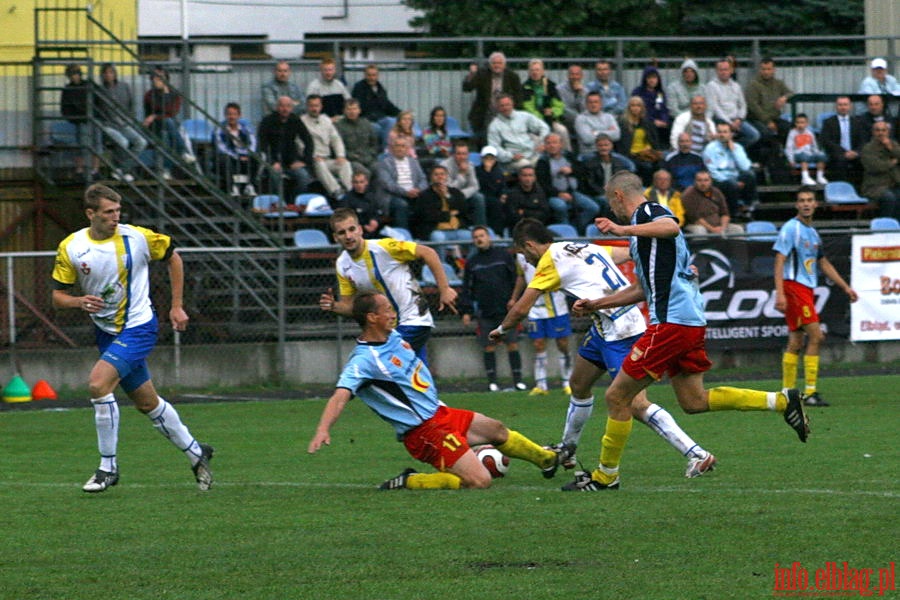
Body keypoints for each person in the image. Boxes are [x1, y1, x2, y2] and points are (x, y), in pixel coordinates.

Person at [563, 171, 807, 491]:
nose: (613, 211)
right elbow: (642, 288)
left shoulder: (647, 213)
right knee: (694, 401)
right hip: (688, 323)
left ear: (619, 196)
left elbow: (671, 224)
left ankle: (607, 475)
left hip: (671, 323)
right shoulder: (642, 235)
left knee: (617, 396)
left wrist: (622, 229)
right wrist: (598, 303)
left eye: (612, 203)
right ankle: (780, 401)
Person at [490, 218, 719, 480]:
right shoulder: (580, 246)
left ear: (529, 245)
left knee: (635, 403)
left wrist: (501, 331)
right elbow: (629, 252)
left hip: (621, 330)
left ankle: (696, 453)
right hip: (603, 328)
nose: (526, 261)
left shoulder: (548, 262)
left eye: (523, 254)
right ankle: (568, 448)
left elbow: (521, 308)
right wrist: (676, 267)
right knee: (579, 384)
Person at [308, 292, 564, 490]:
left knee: (496, 429)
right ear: (372, 317)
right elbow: (340, 395)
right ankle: (411, 481)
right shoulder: (363, 361)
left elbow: (360, 313)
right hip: (423, 431)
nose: (392, 312)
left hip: (440, 413)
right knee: (480, 481)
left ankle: (546, 459)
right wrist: (323, 428)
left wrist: (339, 306)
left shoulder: (393, 336)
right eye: (387, 309)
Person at [51, 184, 214, 493]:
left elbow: (174, 257)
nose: (116, 217)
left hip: (139, 327)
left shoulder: (136, 237)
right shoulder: (71, 247)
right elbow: (58, 296)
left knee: (98, 385)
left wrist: (176, 306)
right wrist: (77, 301)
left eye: (118, 211)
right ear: (91, 214)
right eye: (109, 212)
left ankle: (107, 468)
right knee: (147, 403)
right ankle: (196, 452)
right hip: (106, 331)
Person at [319, 208, 457, 363]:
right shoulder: (342, 264)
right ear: (336, 237)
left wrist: (444, 289)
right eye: (342, 232)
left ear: (360, 229)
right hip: (388, 329)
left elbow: (428, 253)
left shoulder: (384, 247)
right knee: (416, 380)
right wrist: (333, 306)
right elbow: (351, 307)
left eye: (351, 229)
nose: (348, 236)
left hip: (412, 320)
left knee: (377, 364)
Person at [774, 187, 859, 408]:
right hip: (795, 287)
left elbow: (823, 263)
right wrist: (780, 293)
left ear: (816, 204)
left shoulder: (812, 233)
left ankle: (787, 393)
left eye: (810, 200)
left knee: (796, 340)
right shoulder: (791, 228)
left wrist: (845, 287)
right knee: (817, 335)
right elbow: (779, 260)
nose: (806, 204)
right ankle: (809, 392)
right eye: (802, 200)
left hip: (805, 289)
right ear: (796, 205)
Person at [459, 226, 528, 392]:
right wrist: (466, 311)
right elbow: (466, 288)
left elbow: (515, 281)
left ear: (488, 237)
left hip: (506, 311)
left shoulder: (503, 256)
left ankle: (518, 380)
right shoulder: (472, 263)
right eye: (476, 237)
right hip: (485, 311)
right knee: (489, 346)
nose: (479, 239)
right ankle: (492, 382)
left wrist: (515, 301)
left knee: (512, 344)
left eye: (482, 236)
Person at [512, 252, 572, 396]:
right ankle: (541, 384)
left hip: (557, 307)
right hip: (535, 308)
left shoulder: (553, 252)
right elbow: (521, 276)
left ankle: (567, 382)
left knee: (562, 344)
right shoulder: (521, 256)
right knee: (538, 344)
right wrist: (514, 297)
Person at [535, 132, 599, 232]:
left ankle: (575, 227)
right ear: (545, 146)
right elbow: (542, 184)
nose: (552, 145)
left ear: (561, 144)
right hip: (553, 194)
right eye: (548, 143)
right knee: (561, 206)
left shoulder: (569, 156)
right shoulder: (542, 162)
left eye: (555, 142)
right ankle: (566, 231)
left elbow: (583, 171)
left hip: (573, 192)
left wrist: (572, 170)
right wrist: (559, 194)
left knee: (593, 208)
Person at [97, 63, 147, 183]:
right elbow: (96, 110)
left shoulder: (124, 86)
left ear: (115, 74)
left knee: (141, 142)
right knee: (123, 142)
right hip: (107, 125)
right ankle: (124, 171)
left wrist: (129, 120)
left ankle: (121, 170)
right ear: (102, 75)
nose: (109, 75)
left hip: (124, 124)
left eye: (111, 72)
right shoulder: (99, 90)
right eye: (106, 73)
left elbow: (131, 105)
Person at [142, 68, 194, 180]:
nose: (158, 80)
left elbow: (172, 111)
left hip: (169, 128)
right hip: (154, 127)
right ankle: (183, 152)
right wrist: (157, 116)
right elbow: (153, 110)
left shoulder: (174, 94)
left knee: (166, 132)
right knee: (167, 123)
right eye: (155, 78)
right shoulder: (149, 95)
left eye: (161, 77)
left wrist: (155, 115)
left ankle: (165, 170)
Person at [462, 51, 523, 145]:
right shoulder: (482, 74)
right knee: (484, 141)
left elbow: (518, 97)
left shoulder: (512, 76)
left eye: (499, 63)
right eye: (494, 63)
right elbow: (467, 88)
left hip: (505, 114)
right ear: (490, 65)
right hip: (485, 113)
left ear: (504, 64)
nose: (497, 65)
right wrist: (472, 74)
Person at [257, 95, 314, 195]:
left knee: (304, 177)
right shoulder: (267, 121)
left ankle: (296, 203)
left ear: (292, 108)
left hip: (291, 161)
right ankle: (280, 204)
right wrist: (272, 162)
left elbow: (308, 141)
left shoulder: (295, 120)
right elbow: (262, 144)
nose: (285, 109)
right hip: (272, 161)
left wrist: (304, 161)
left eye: (288, 106)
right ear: (277, 107)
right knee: (276, 176)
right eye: (282, 106)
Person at [300, 94, 353, 198]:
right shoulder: (301, 121)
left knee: (345, 164)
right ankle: (336, 191)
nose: (314, 108)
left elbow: (336, 139)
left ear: (321, 106)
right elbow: (299, 144)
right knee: (319, 164)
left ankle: (350, 191)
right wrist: (312, 155)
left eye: (317, 106)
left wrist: (340, 155)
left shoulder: (326, 120)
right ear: (307, 106)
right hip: (312, 160)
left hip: (327, 158)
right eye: (311, 106)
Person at [702, 122, 758, 219]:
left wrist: (734, 151)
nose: (722, 135)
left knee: (750, 175)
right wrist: (731, 181)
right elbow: (712, 171)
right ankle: (734, 212)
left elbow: (745, 167)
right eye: (719, 132)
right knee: (731, 185)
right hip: (719, 179)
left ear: (731, 134)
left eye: (725, 132)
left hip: (735, 177)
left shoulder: (738, 148)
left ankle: (747, 206)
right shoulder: (710, 148)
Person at [372, 137, 428, 230]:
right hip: (392, 196)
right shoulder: (384, 163)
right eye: (397, 146)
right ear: (391, 148)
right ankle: (403, 237)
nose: (400, 148)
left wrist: (418, 190)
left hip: (414, 193)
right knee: (401, 205)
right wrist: (406, 192)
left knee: (428, 202)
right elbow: (388, 184)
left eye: (403, 146)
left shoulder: (413, 162)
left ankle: (423, 235)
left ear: (408, 149)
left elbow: (423, 179)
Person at [705, 58, 760, 150]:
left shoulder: (736, 86)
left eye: (726, 69)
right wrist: (730, 123)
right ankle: (729, 150)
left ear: (731, 70)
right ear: (717, 71)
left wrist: (739, 119)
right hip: (720, 120)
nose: (723, 72)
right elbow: (715, 108)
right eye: (721, 70)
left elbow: (743, 105)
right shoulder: (711, 86)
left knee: (754, 135)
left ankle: (733, 149)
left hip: (737, 120)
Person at [487, 93, 550, 172]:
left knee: (545, 162)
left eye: (507, 104)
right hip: (513, 160)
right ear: (497, 107)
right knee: (526, 166)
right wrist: (510, 156)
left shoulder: (524, 116)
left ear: (512, 104)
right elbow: (494, 147)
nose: (505, 108)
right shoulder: (494, 125)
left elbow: (544, 127)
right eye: (502, 105)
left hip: (532, 153)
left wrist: (542, 143)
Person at [60, 63, 101, 181]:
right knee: (82, 145)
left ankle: (95, 170)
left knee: (96, 144)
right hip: (81, 121)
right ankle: (80, 170)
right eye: (72, 74)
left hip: (93, 119)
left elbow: (99, 100)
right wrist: (75, 119)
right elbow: (64, 108)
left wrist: (97, 115)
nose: (74, 76)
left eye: (76, 74)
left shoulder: (89, 85)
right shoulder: (68, 89)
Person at [411, 164, 470, 244]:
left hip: (457, 229)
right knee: (438, 238)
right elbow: (428, 216)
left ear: (446, 176)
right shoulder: (425, 195)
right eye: (436, 174)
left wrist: (447, 195)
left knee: (470, 236)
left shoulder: (455, 192)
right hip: (437, 230)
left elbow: (463, 209)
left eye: (442, 174)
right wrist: (449, 214)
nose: (440, 177)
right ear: (431, 177)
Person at [522, 58, 572, 151]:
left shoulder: (551, 85)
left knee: (562, 130)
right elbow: (527, 107)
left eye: (537, 70)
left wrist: (552, 112)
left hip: (551, 118)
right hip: (534, 122)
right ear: (528, 72)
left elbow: (559, 105)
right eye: (532, 70)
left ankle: (567, 155)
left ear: (542, 71)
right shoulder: (525, 87)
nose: (535, 72)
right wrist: (542, 116)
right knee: (537, 138)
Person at [616, 96, 664, 185]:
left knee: (661, 163)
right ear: (629, 108)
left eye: (638, 105)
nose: (635, 108)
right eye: (632, 105)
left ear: (642, 108)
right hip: (631, 155)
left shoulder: (647, 123)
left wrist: (650, 149)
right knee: (647, 167)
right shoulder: (622, 123)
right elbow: (621, 146)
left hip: (646, 153)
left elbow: (654, 141)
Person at [680, 170, 744, 236]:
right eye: (699, 180)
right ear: (695, 181)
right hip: (695, 225)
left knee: (737, 229)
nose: (703, 183)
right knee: (700, 230)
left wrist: (723, 228)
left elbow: (725, 214)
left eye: (706, 180)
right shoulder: (688, 194)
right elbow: (695, 218)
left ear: (711, 181)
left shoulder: (716, 192)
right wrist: (713, 229)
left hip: (719, 225)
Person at [818, 96, 866, 184]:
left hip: (855, 153)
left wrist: (856, 152)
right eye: (840, 105)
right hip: (837, 153)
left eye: (845, 105)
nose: (843, 107)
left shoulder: (858, 122)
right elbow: (826, 140)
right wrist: (843, 152)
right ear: (836, 107)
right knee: (840, 161)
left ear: (850, 106)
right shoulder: (828, 122)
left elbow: (862, 140)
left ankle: (860, 190)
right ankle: (841, 188)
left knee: (865, 161)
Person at [214, 102, 258, 197]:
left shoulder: (245, 128)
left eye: (234, 114)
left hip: (245, 156)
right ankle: (233, 187)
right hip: (230, 156)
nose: (232, 117)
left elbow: (253, 143)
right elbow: (221, 147)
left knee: (256, 158)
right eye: (229, 114)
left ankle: (249, 186)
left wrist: (246, 154)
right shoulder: (219, 130)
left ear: (239, 116)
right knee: (224, 159)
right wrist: (237, 156)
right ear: (225, 115)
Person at [746, 57, 793, 145]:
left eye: (769, 69)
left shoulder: (778, 83)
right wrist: (767, 121)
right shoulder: (753, 85)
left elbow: (791, 93)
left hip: (775, 117)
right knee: (767, 133)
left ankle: (784, 154)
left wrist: (784, 97)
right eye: (763, 69)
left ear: (774, 70)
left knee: (789, 128)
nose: (766, 72)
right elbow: (753, 106)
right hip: (757, 119)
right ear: (760, 70)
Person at [442, 141, 488, 228]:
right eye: (459, 154)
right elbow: (448, 188)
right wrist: (462, 175)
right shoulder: (445, 166)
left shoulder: (470, 165)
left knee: (479, 198)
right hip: (449, 197)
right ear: (453, 154)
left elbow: (475, 186)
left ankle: (481, 228)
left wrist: (462, 194)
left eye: (464, 154)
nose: (462, 157)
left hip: (463, 195)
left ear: (468, 155)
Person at [860, 121, 900, 219]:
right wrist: (892, 163)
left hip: (894, 184)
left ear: (888, 132)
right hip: (874, 186)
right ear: (873, 132)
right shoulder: (867, 148)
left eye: (883, 130)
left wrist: (891, 148)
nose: (881, 133)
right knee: (889, 198)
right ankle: (885, 226)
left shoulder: (894, 145)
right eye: (877, 130)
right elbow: (875, 167)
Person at [334, 98, 380, 178]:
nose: (352, 112)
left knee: (380, 170)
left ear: (359, 110)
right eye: (349, 109)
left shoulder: (366, 123)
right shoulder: (339, 126)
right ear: (344, 111)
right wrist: (351, 156)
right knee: (365, 173)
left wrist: (371, 154)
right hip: (352, 160)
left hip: (369, 158)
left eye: (355, 109)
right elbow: (338, 146)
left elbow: (375, 143)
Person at [583, 133, 632, 204]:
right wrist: (604, 192)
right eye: (600, 145)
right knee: (607, 201)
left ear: (611, 146)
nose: (603, 148)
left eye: (606, 145)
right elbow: (590, 183)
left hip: (615, 192)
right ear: (596, 146)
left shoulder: (618, 163)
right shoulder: (590, 163)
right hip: (598, 193)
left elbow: (621, 180)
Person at [784, 113, 829, 186]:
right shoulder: (792, 133)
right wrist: (791, 160)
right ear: (795, 123)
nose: (800, 124)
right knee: (803, 157)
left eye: (802, 122)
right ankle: (805, 177)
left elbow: (814, 146)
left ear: (806, 123)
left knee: (822, 157)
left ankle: (820, 176)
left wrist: (817, 154)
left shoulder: (810, 133)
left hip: (809, 154)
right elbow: (789, 148)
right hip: (797, 154)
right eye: (798, 122)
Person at [631, 66, 671, 142]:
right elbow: (637, 111)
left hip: (660, 121)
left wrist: (664, 120)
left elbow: (663, 109)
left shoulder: (660, 93)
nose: (652, 80)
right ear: (645, 79)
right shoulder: (638, 92)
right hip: (644, 120)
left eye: (654, 78)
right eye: (649, 78)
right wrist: (653, 121)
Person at [474, 145, 509, 234]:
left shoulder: (499, 172)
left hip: (496, 198)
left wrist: (504, 194)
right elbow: (479, 187)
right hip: (483, 197)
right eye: (487, 158)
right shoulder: (477, 171)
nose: (489, 160)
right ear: (482, 159)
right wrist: (487, 171)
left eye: (491, 158)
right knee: (494, 204)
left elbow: (503, 186)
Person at [337, 171, 383, 237]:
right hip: (356, 233)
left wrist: (375, 220)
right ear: (352, 183)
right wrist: (363, 226)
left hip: (375, 231)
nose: (359, 185)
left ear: (366, 182)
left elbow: (378, 211)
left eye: (361, 182)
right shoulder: (347, 199)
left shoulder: (373, 196)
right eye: (356, 182)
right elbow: (346, 219)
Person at [557, 64, 588, 137]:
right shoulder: (559, 89)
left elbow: (585, 109)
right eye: (572, 74)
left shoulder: (585, 91)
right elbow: (564, 109)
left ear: (582, 76)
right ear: (568, 76)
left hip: (582, 121)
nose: (575, 77)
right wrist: (580, 118)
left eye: (577, 74)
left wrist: (581, 94)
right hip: (566, 120)